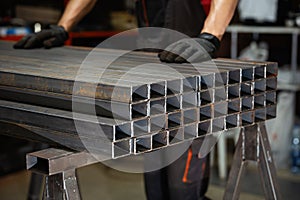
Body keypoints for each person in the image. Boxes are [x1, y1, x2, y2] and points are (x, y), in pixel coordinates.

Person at [14, 0, 238, 199]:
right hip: (152, 79)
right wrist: (63, 27)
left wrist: (211, 35)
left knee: (182, 188)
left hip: (191, 74)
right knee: (155, 187)